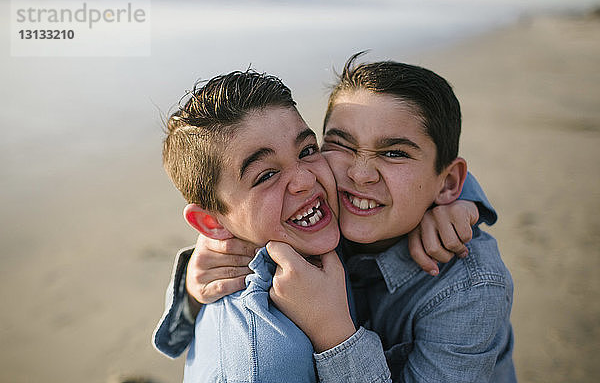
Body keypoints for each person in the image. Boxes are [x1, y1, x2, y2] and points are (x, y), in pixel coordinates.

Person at [155, 55, 515, 382]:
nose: (360, 174)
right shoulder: (319, 216)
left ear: (449, 183)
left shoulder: (471, 287)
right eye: (339, 145)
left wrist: (334, 334)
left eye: (393, 153)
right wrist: (197, 282)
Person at [158, 70, 349, 382]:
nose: (305, 180)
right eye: (266, 175)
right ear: (211, 222)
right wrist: (337, 338)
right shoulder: (259, 364)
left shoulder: (308, 232)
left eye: (307, 151)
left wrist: (455, 207)